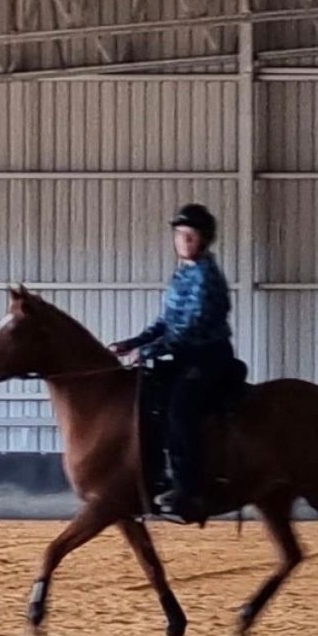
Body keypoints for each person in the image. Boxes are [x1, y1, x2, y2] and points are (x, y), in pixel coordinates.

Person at [109, 203, 234, 522]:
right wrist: (132, 343)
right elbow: (166, 322)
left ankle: (189, 489)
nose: (182, 242)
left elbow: (190, 327)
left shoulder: (206, 278)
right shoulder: (182, 275)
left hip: (207, 355)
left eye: (189, 237)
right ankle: (155, 475)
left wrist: (150, 351)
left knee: (181, 408)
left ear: (203, 241)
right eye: (179, 236)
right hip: (181, 353)